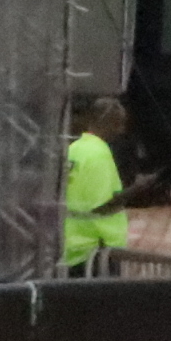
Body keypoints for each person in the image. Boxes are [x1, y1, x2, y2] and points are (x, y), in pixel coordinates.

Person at [61, 97, 131, 274]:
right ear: (108, 123)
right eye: (119, 124)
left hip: (71, 245)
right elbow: (102, 205)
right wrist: (135, 191)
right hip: (95, 252)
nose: (121, 131)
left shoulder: (74, 149)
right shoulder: (99, 155)